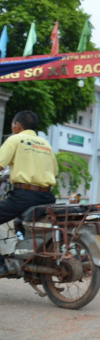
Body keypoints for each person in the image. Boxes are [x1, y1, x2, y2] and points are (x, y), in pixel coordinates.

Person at [0, 110, 58, 276]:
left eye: (12, 125)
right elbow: (54, 174)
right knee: (21, 223)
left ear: (17, 126)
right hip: (47, 197)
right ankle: (24, 257)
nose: (12, 128)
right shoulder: (45, 144)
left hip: (24, 196)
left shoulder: (15, 139)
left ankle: (2, 265)